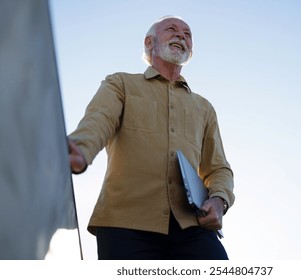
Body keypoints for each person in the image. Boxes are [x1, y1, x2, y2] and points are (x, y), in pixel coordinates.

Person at [68, 15, 235, 260]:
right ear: (149, 42)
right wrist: (80, 149)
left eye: (187, 34)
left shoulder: (204, 108)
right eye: (172, 29)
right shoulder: (120, 83)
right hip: (124, 223)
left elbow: (218, 168)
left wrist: (219, 201)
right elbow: (98, 120)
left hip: (193, 228)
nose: (181, 35)